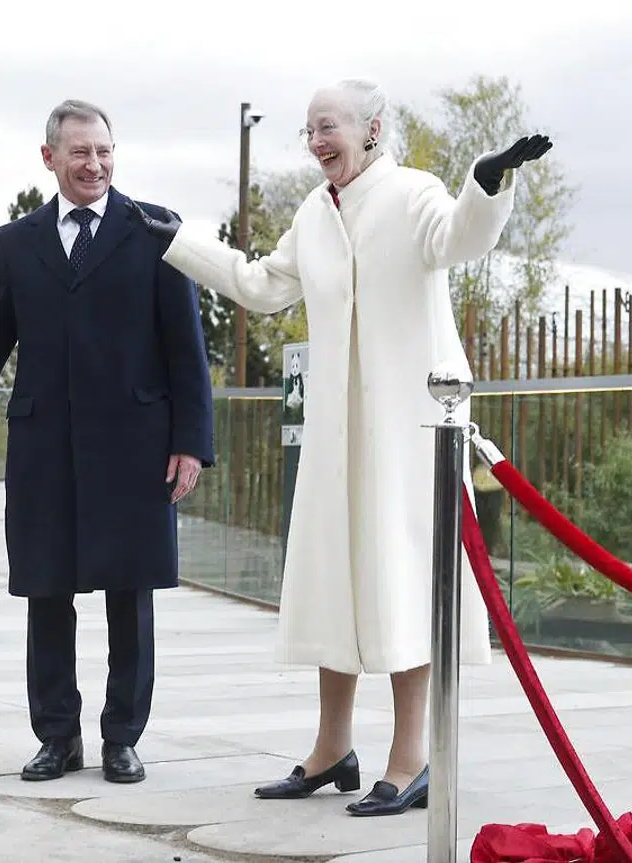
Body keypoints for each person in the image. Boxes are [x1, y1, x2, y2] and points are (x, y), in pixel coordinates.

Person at [130, 79, 551, 816]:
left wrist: (486, 181)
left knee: (404, 579)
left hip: (410, 426)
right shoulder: (312, 215)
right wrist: (177, 239)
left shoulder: (414, 194)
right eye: (309, 130)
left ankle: (411, 756)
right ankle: (332, 748)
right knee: (335, 578)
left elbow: (461, 236)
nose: (318, 141)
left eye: (329, 127)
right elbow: (262, 286)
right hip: (334, 430)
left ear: (372, 130)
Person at [0, 99, 215, 784]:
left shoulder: (156, 230)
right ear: (49, 159)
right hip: (45, 448)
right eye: (79, 153)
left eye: (104, 151)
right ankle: (57, 736)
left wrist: (192, 440)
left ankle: (122, 736)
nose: (94, 164)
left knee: (131, 597)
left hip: (137, 444)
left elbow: (187, 348)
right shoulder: (17, 242)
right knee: (46, 593)